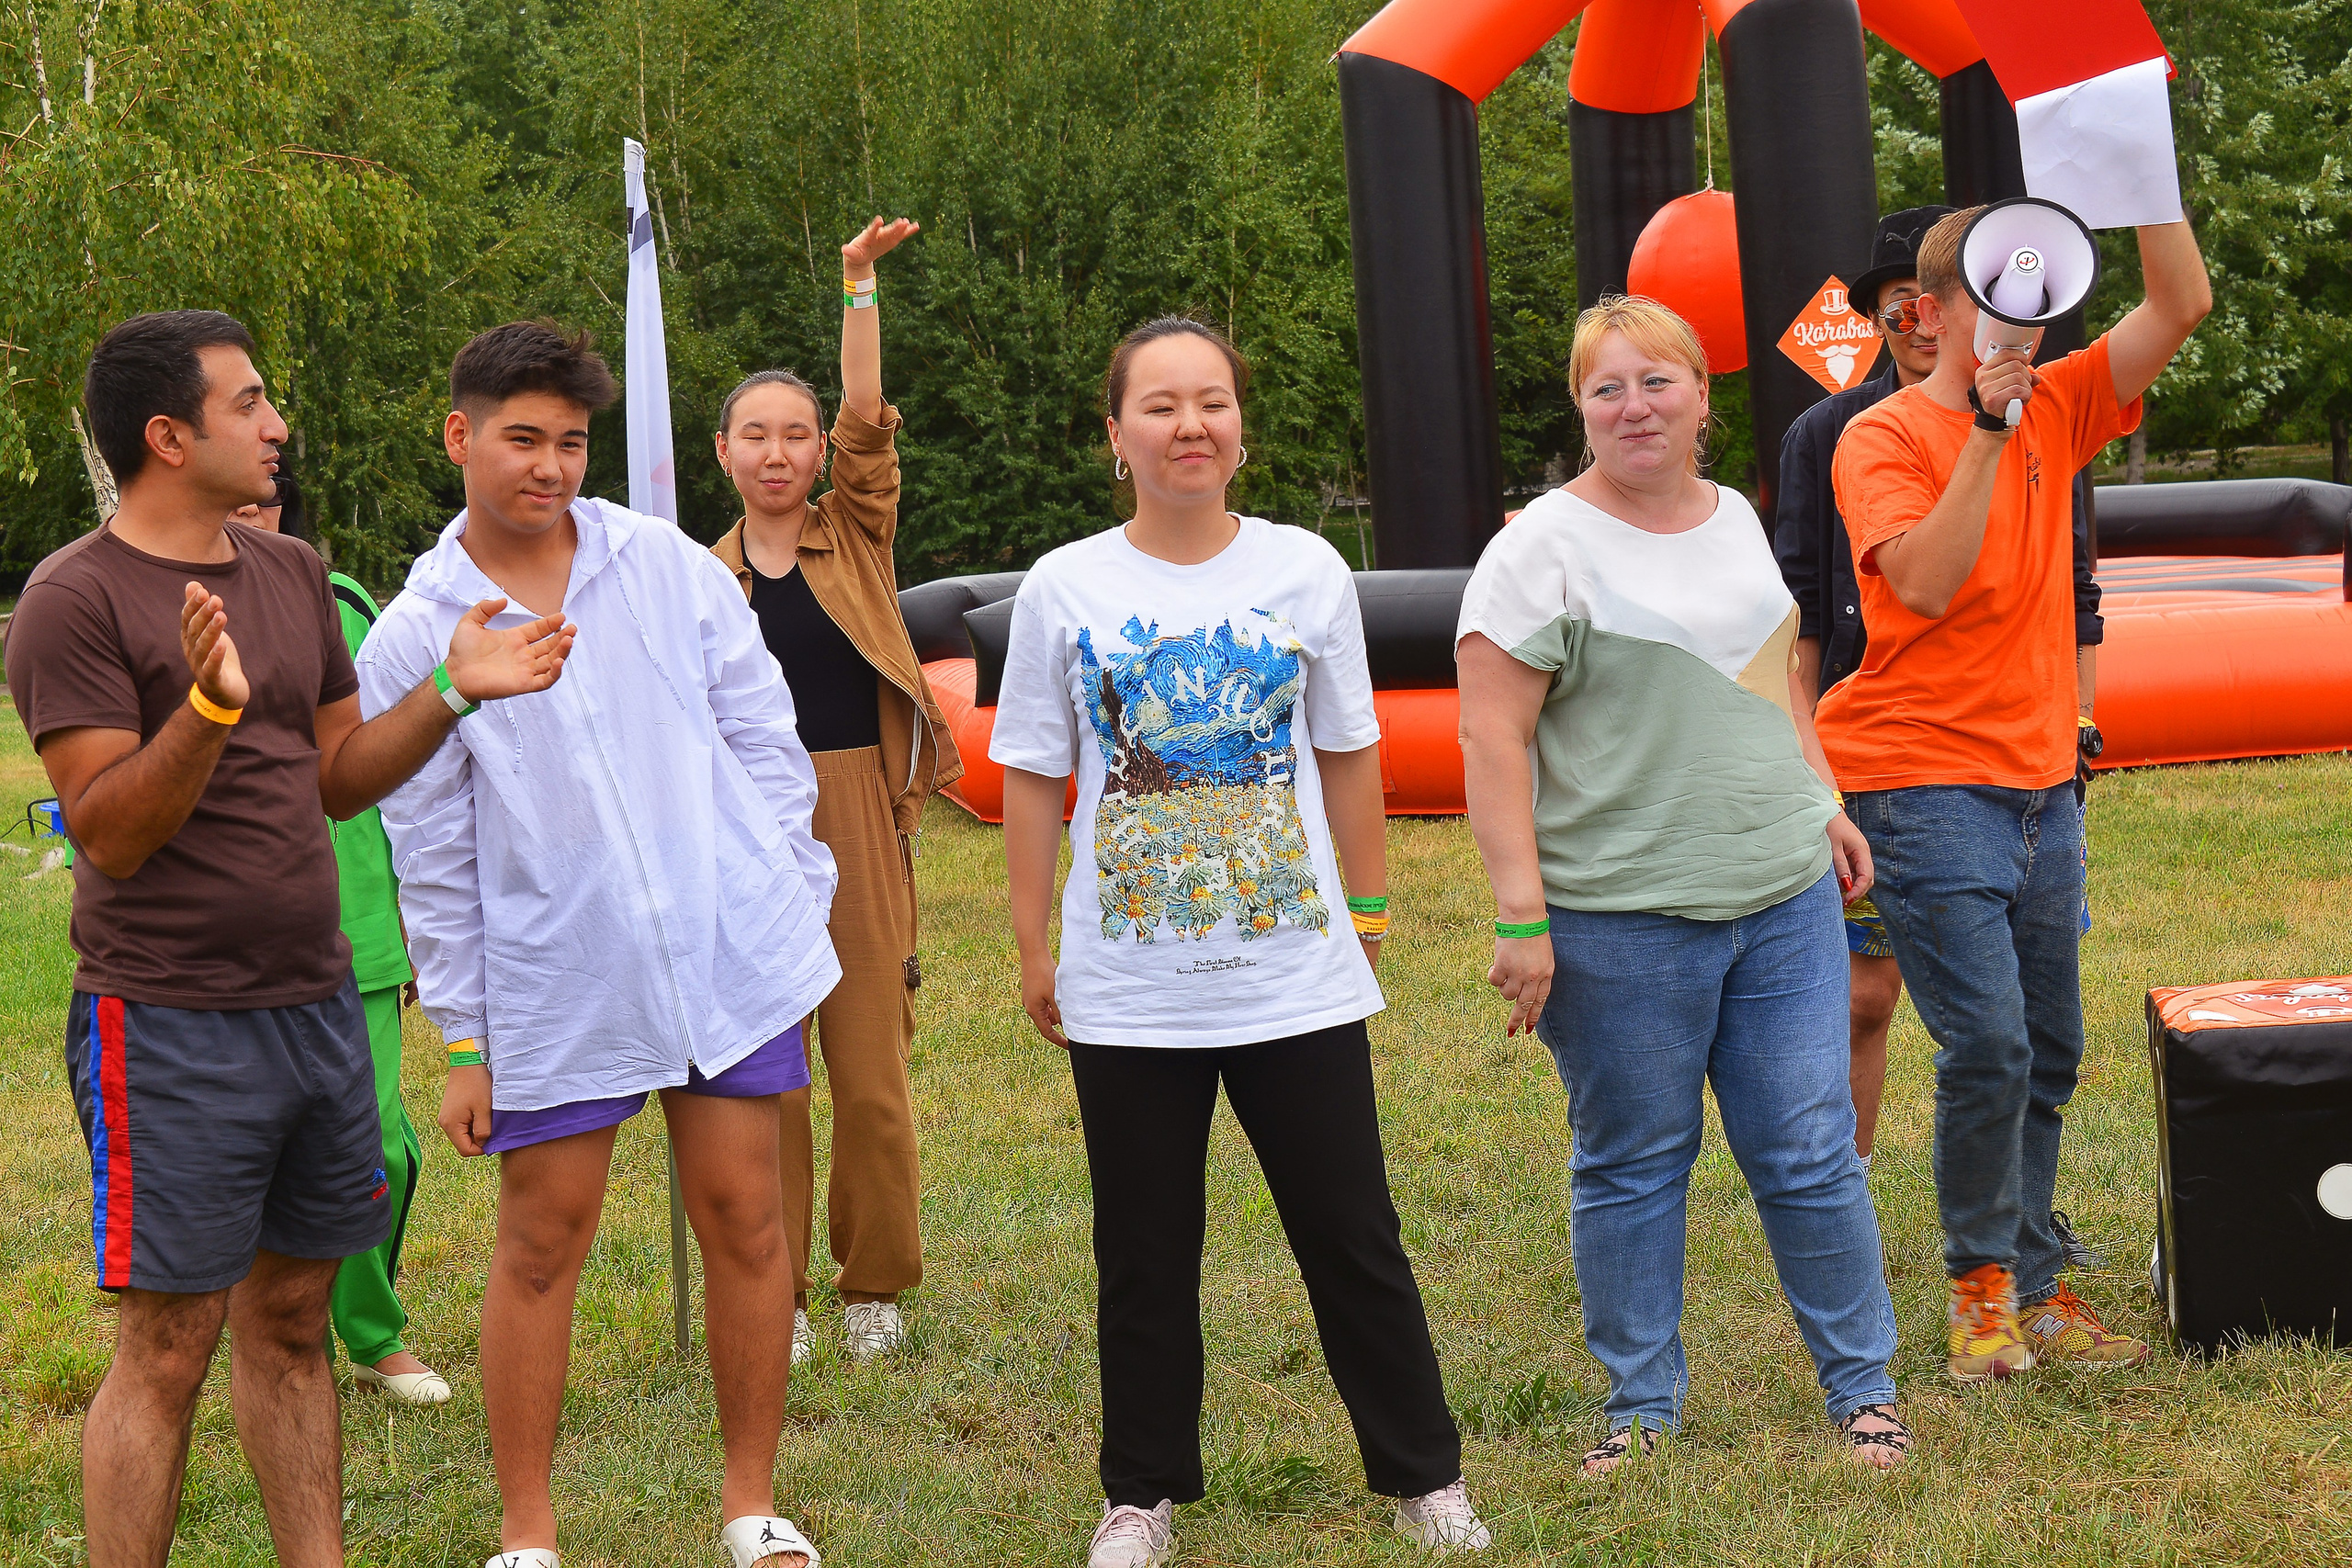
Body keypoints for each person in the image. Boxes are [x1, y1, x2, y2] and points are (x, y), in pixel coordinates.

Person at [4, 310, 572, 1568]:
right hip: (166, 1021)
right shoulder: (72, 599)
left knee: (297, 1312)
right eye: (249, 402)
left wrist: (449, 690)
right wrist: (206, 709)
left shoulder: (293, 573)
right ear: (168, 434)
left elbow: (338, 775)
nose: (278, 424)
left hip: (315, 1007)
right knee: (167, 1343)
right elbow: (107, 832)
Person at [992, 316, 1491, 1566]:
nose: (1188, 425)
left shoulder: (1305, 569)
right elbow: (1036, 776)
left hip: (1293, 973)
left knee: (1352, 1231)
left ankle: (1424, 1474)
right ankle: (1140, 1495)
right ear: (1117, 436)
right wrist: (1031, 944)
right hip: (1131, 985)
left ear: (1240, 427)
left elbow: (1350, 753)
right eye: (1159, 406)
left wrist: (1369, 916)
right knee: (1144, 1246)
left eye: (1210, 400)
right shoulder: (1065, 586)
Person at [359, 321, 840, 1568]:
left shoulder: (663, 564)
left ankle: (751, 1501)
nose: (552, 465)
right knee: (541, 1235)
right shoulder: (418, 632)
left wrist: (783, 890)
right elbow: (433, 852)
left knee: (745, 1212)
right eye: (523, 437)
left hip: (726, 953)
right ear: (461, 435)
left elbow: (761, 733)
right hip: (556, 976)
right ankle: (528, 1531)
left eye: (571, 441)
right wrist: (464, 1033)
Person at [1458, 296, 1907, 1474]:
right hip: (1619, 917)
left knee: (1807, 1153)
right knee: (1634, 1163)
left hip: (1781, 902)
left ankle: (1863, 1393)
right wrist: (1522, 916)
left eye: (1656, 382)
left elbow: (1775, 680)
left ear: (1703, 396)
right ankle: (1640, 1409)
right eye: (1606, 388)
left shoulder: (1739, 521)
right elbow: (1490, 742)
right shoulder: (1535, 550)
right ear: (1580, 408)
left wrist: (1822, 801)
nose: (1633, 407)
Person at [1813, 208, 2211, 1381]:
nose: (2023, 331)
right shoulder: (1876, 439)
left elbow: (2178, 304)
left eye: (2036, 308)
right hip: (1918, 779)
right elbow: (1925, 586)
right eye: (1996, 303)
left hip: (2044, 783)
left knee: (2049, 1044)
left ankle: (2034, 1285)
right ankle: (1983, 1296)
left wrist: (2144, 177)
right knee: (1986, 1045)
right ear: (1929, 316)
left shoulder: (2065, 401)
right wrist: (1986, 429)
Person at [1772, 206, 2106, 1194]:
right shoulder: (1838, 429)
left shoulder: (2043, 406)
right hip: (1894, 759)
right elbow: (1803, 605)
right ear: (1894, 314)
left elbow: (2071, 579)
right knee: (1868, 1001)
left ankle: (2013, 1251)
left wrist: (2077, 716)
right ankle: (1849, 1191)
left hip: (2022, 770)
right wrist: (1812, 764)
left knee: (2023, 1037)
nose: (1915, 328)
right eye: (1893, 310)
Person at [709, 216, 963, 1365]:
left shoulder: (854, 535)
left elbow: (870, 416)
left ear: (816, 455)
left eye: (796, 435)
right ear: (721, 453)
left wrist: (856, 285)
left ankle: (872, 1290)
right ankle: (784, 1296)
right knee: (770, 1080)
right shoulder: (692, 579)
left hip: (857, 808)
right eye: (754, 435)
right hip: (743, 826)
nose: (778, 452)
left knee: (865, 1072)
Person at [234, 475, 450, 1406]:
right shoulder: (157, 609)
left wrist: (408, 905)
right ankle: (274, 1328)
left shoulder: (349, 604)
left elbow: (395, 760)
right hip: (233, 938)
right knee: (256, 1147)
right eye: (238, 502)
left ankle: (369, 1334)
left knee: (381, 1147)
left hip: (357, 921)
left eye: (270, 497)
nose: (258, 512)